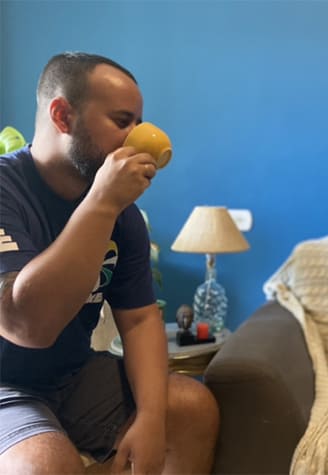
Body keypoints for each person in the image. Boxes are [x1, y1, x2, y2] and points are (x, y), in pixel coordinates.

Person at [0, 52, 218, 473]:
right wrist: (102, 202)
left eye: (139, 123)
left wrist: (153, 420)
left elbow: (138, 320)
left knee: (192, 406)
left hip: (71, 376)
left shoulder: (124, 215)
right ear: (63, 116)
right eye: (123, 122)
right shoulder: (8, 191)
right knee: (45, 463)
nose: (138, 139)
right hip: (6, 383)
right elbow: (27, 326)